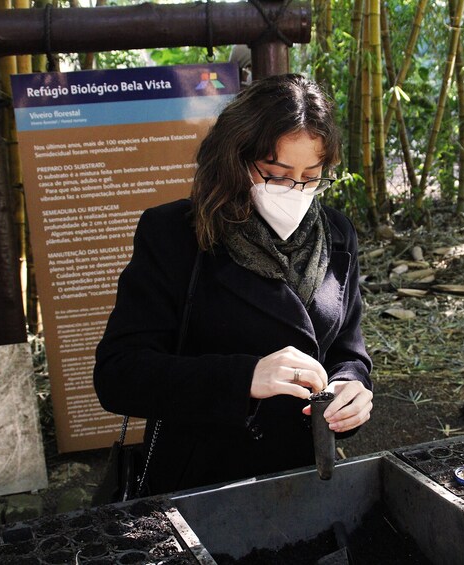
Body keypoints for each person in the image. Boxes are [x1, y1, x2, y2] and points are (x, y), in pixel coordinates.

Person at [94, 73, 374, 495]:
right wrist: (244, 377)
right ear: (236, 160)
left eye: (311, 176)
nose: (294, 191)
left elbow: (347, 350)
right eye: (275, 174)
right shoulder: (175, 233)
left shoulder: (336, 234)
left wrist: (352, 387)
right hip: (201, 477)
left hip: (304, 471)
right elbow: (119, 374)